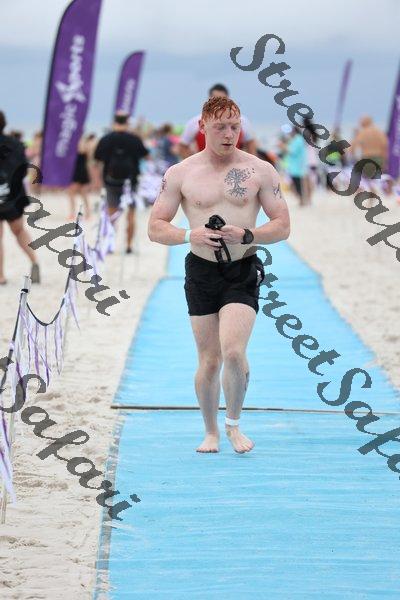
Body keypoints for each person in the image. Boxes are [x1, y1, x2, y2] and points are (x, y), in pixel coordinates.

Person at [148, 96, 290, 454]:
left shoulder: (260, 170)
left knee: (234, 352)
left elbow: (282, 225)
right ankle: (210, 431)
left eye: (235, 127)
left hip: (242, 268)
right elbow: (155, 227)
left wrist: (248, 234)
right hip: (201, 270)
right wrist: (188, 235)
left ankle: (233, 425)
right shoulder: (180, 173)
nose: (229, 134)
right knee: (209, 360)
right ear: (203, 127)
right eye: (221, 127)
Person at [94, 112, 149, 253]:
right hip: (131, 181)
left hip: (111, 181)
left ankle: (110, 245)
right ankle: (129, 246)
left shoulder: (106, 138)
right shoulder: (134, 139)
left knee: (112, 215)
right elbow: (145, 155)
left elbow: (97, 157)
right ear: (127, 122)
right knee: (131, 214)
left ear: (114, 122)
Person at [0, 111, 40, 284]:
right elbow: (24, 169)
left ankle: (1, 276)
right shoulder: (16, 144)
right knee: (19, 231)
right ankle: (34, 261)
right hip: (14, 195)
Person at [179, 83, 257, 158]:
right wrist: (194, 164)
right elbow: (182, 146)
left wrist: (249, 163)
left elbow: (251, 143)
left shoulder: (242, 120)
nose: (219, 103)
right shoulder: (194, 122)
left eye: (222, 99)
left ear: (228, 99)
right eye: (215, 99)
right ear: (209, 99)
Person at [351, 115, 388, 181]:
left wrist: (356, 160)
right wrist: (385, 160)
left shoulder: (362, 132)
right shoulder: (379, 132)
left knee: (368, 181)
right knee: (377, 181)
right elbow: (385, 146)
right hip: (379, 158)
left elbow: (354, 147)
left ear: (365, 122)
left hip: (367, 158)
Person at [68, 135, 91, 220]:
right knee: (79, 194)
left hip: (79, 171)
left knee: (78, 194)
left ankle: (75, 213)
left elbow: (83, 152)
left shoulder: (83, 145)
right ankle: (85, 213)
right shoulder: (83, 144)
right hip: (78, 171)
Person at [285, 127, 308, 205]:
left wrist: (283, 147)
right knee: (297, 184)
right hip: (296, 166)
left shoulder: (298, 139)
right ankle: (302, 200)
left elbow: (292, 151)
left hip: (297, 166)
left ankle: (302, 201)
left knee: (298, 184)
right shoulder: (297, 139)